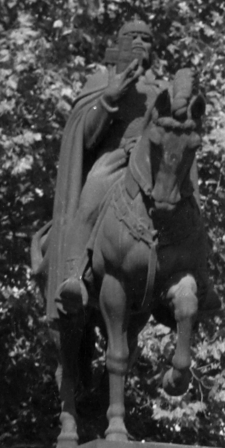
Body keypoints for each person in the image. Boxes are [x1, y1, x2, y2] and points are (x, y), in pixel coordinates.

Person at [41, 19, 169, 324]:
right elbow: (84, 136)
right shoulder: (101, 81)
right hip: (113, 162)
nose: (139, 42)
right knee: (91, 198)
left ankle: (194, 279)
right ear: (119, 43)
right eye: (131, 36)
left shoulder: (163, 88)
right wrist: (110, 96)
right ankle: (73, 275)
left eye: (146, 37)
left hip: (155, 167)